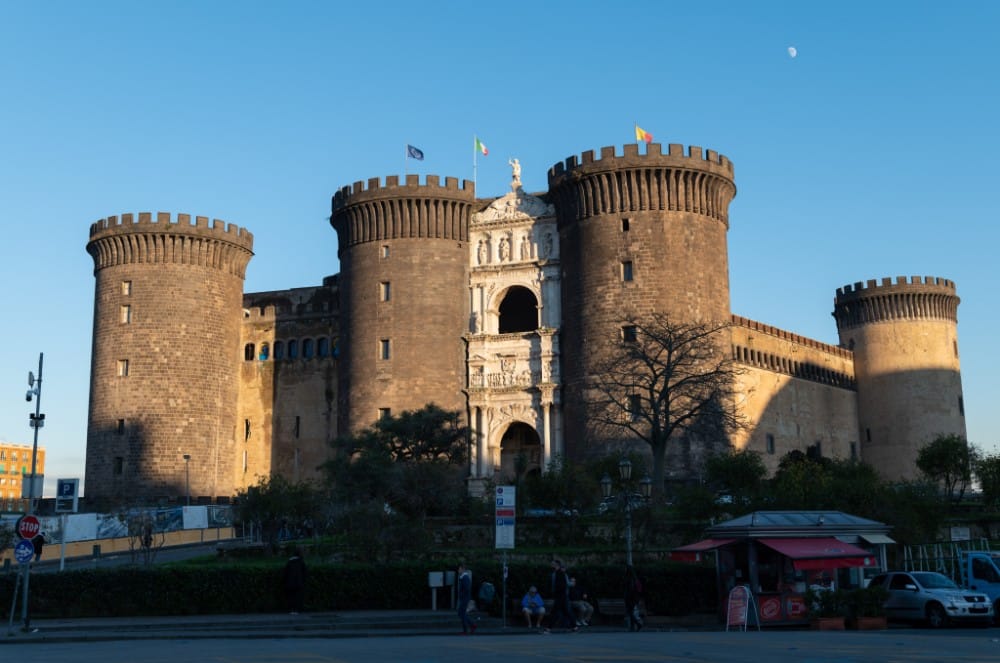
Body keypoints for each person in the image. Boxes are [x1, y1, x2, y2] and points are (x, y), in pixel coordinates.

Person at [545, 559, 577, 633]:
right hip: (561, 596)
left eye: (553, 564)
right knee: (566, 612)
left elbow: (563, 585)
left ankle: (548, 628)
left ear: (557, 565)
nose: (551, 565)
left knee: (555, 612)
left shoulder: (561, 573)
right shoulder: (555, 573)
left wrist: (572, 583)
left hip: (561, 596)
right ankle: (574, 627)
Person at [283, 547, 306, 614]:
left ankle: (292, 609)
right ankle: (297, 609)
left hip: (290, 582)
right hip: (299, 582)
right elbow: (305, 572)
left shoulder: (289, 562)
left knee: (291, 596)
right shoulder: (301, 562)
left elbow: (285, 572)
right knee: (298, 597)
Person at [457, 563, 476, 634]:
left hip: (465, 598)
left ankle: (467, 629)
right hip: (465, 598)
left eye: (459, 569)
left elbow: (467, 589)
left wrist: (462, 595)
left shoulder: (465, 578)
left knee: (461, 613)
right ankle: (472, 625)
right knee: (461, 613)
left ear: (463, 569)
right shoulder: (463, 577)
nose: (458, 570)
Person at [624, 564, 644, 631]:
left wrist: (627, 597)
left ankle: (638, 624)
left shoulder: (629, 579)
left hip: (631, 598)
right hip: (635, 598)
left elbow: (630, 590)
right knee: (631, 612)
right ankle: (633, 626)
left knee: (630, 612)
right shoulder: (635, 578)